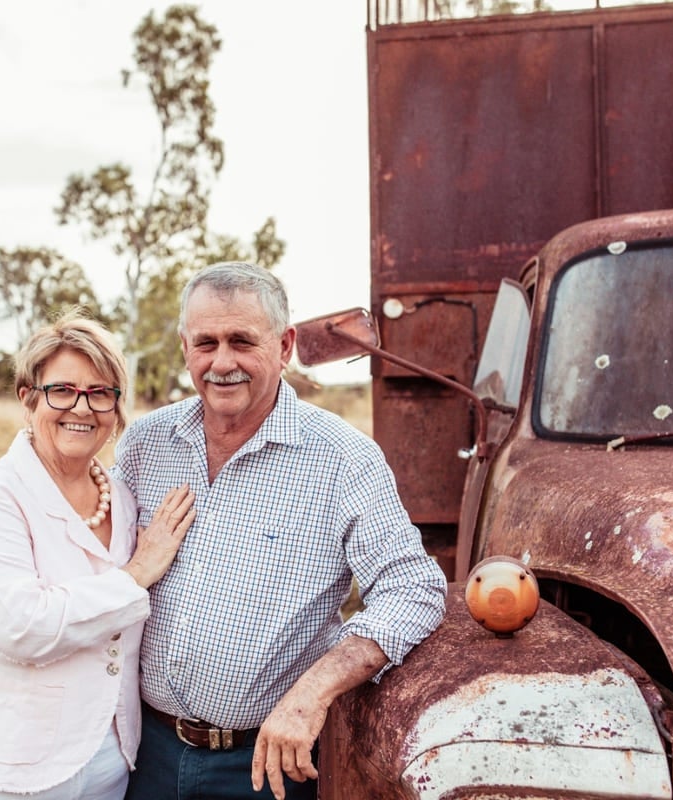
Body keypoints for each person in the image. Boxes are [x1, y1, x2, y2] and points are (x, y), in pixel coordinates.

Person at [113, 262, 448, 800]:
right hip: (142, 751)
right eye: (206, 343)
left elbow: (413, 589)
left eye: (243, 341)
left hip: (264, 765)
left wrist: (312, 693)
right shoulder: (145, 444)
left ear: (285, 344)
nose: (222, 362)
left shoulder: (343, 458)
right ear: (184, 348)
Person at [0, 310, 196, 800]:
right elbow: (23, 626)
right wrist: (135, 575)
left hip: (106, 763)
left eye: (100, 393)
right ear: (28, 398)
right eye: (62, 390)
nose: (81, 409)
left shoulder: (123, 499)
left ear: (116, 407)